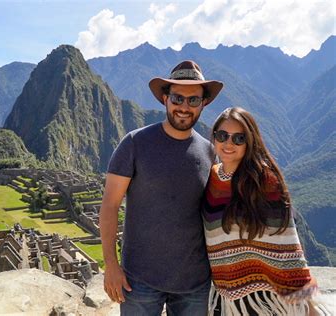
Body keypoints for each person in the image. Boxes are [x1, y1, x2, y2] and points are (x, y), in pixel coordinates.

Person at [99, 60, 223, 315]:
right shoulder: (134, 143)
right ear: (165, 98)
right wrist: (111, 265)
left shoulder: (209, 151)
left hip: (195, 282)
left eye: (193, 100)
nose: (184, 107)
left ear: (204, 103)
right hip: (139, 281)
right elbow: (110, 205)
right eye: (178, 98)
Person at [203, 107, 319, 315]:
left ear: (250, 141)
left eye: (239, 138)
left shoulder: (263, 181)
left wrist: (306, 304)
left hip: (263, 299)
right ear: (214, 137)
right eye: (222, 136)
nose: (229, 143)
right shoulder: (210, 177)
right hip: (223, 293)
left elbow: (286, 243)